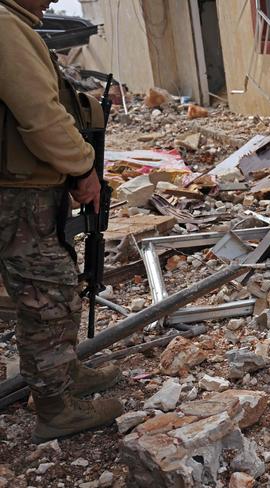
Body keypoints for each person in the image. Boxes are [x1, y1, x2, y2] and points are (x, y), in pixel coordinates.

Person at [0, 0, 123, 443]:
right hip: (17, 192)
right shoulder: (5, 26)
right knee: (48, 295)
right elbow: (41, 116)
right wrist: (81, 167)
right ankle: (55, 408)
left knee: (53, 286)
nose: (53, 0)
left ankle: (64, 373)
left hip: (26, 185)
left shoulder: (16, 24)